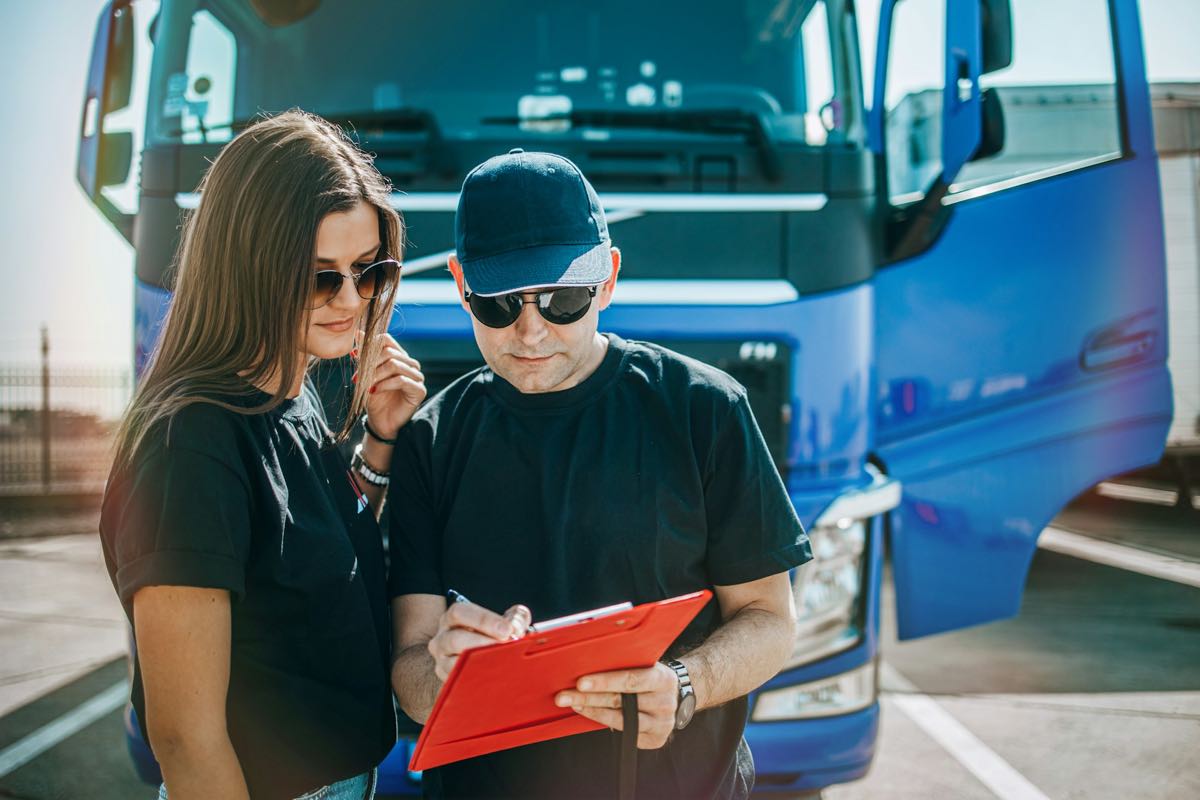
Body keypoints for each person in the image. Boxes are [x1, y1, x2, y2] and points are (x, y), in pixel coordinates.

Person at [387, 149, 812, 799]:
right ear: (459, 285)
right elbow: (410, 674)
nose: (530, 330)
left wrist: (685, 685)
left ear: (608, 279)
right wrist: (441, 671)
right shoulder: (431, 438)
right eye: (498, 304)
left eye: (563, 298)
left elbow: (770, 617)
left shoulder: (705, 409)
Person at [99, 110, 427, 800]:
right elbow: (186, 741)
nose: (351, 301)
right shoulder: (189, 441)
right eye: (319, 278)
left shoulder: (290, 397)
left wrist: (381, 439)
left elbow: (304, 558)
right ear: (247, 268)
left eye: (369, 272)